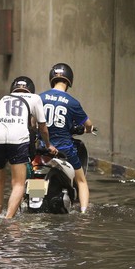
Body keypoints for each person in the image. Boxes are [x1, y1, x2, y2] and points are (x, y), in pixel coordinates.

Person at [0, 76, 57, 219]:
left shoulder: (4, 99)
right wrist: (49, 144)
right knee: (19, 183)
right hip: (21, 142)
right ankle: (9, 219)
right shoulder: (35, 99)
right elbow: (42, 128)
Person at [40, 63, 94, 213]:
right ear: (69, 80)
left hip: (43, 149)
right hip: (65, 150)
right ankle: (83, 213)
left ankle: (35, 198)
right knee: (82, 181)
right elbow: (88, 124)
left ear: (52, 79)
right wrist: (87, 129)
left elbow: (33, 123)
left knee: (36, 174)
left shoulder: (40, 98)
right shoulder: (72, 102)